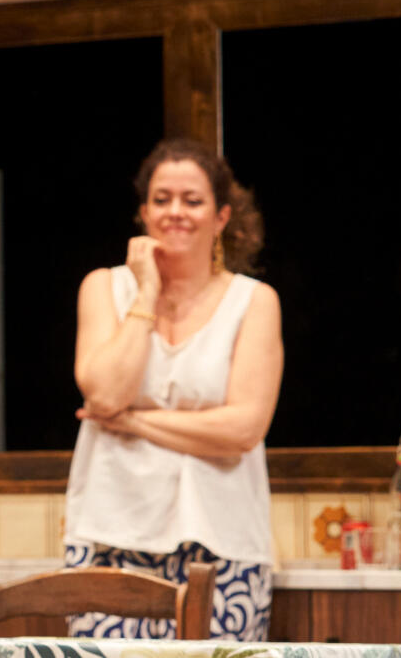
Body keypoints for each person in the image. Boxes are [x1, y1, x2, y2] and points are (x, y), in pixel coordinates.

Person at [66, 138, 282, 641]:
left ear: (221, 216)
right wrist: (146, 292)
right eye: (161, 200)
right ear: (144, 213)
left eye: (193, 200)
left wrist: (132, 421)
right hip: (111, 539)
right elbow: (104, 395)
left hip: (224, 545)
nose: (175, 212)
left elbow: (242, 429)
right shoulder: (104, 288)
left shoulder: (254, 301)